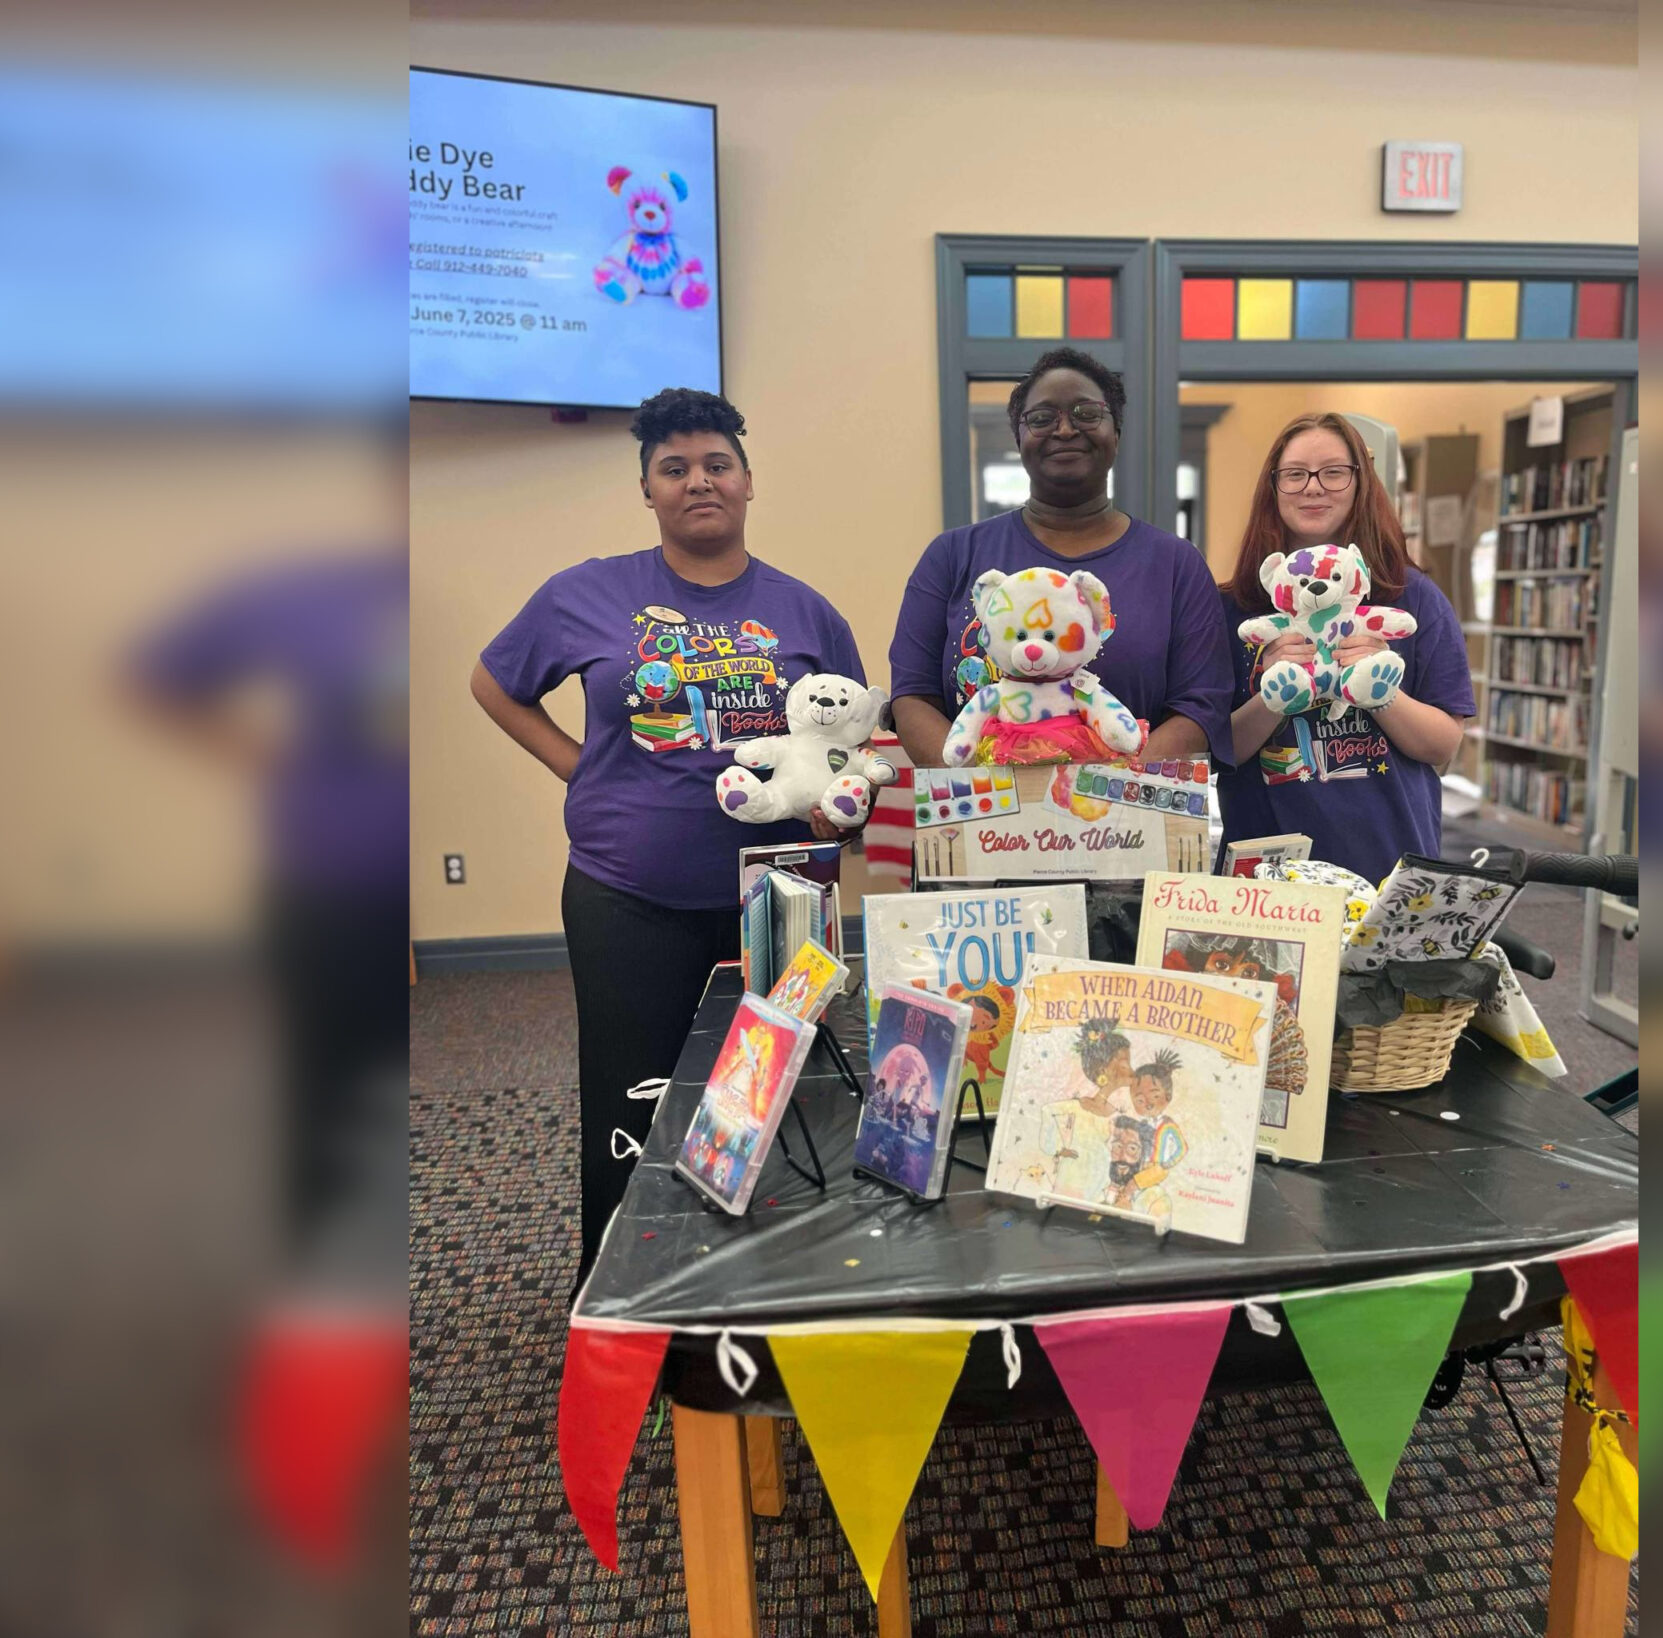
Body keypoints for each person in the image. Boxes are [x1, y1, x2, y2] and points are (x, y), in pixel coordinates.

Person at [471, 387, 867, 1284]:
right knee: (633, 1105)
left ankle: (767, 1287)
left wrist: (839, 809)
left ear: (749, 482)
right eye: (674, 468)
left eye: (717, 464)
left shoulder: (807, 612)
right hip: (627, 899)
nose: (699, 481)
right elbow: (495, 684)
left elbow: (849, 744)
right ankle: (626, 1297)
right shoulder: (584, 593)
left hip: (777, 902)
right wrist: (580, 768)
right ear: (647, 489)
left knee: (777, 1100)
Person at [888, 347, 1233, 766]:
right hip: (981, 805)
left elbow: (1200, 706)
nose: (1066, 429)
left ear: (1116, 432)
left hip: (1131, 805)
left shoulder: (1176, 565)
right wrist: (992, 790)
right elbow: (913, 696)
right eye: (1042, 418)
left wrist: (1107, 793)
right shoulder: (951, 556)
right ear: (1019, 438)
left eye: (1087, 413)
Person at [1217, 413, 1474, 885]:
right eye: (1295, 474)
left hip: (1388, 863)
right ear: (1273, 486)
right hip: (1267, 874)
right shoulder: (1235, 609)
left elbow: (1442, 745)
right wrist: (1272, 697)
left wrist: (1381, 693)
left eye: (1334, 472)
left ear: (1361, 482)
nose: (1313, 487)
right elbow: (1217, 751)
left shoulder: (1412, 597)